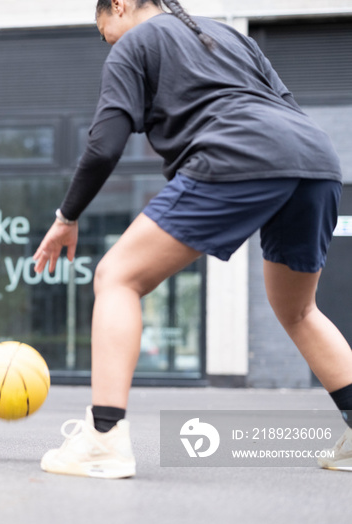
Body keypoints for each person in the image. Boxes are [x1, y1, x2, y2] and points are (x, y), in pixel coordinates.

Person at [32, 0, 352, 478]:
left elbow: (104, 145)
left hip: (239, 153)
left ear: (118, 6)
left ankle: (103, 440)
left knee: (116, 276)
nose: (110, 44)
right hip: (317, 161)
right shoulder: (231, 37)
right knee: (299, 309)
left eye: (105, 33)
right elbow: (284, 108)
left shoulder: (137, 42)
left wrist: (66, 216)